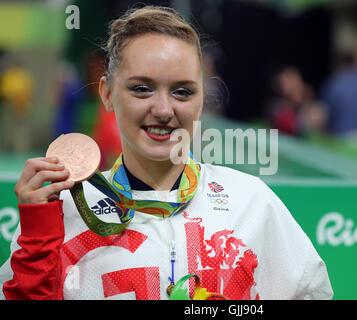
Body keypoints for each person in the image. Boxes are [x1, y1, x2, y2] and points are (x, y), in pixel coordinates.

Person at [0, 6, 333, 300]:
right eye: (141, 88)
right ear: (107, 94)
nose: (163, 109)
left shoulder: (251, 203)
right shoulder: (67, 212)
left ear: (204, 99)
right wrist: (37, 240)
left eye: (182, 91)